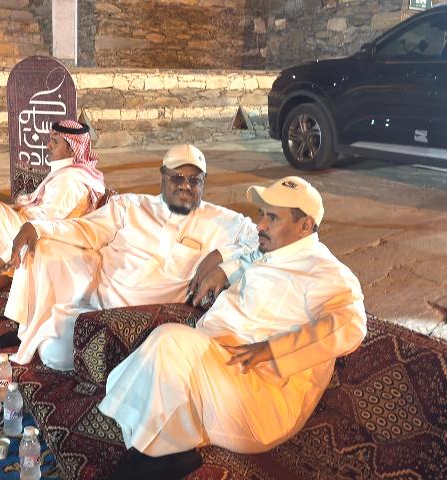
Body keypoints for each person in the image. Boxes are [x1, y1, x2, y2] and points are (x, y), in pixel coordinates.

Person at [98, 176, 367, 480]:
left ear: (305, 226)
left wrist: (273, 349)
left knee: (169, 341)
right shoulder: (274, 252)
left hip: (259, 395)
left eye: (273, 218)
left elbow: (351, 323)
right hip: (220, 367)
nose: (260, 225)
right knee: (163, 359)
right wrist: (224, 269)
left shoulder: (328, 273)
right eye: (261, 214)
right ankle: (166, 454)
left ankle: (157, 453)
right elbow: (250, 255)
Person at [1, 144, 259, 371]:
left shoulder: (222, 221)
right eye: (177, 177)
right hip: (96, 309)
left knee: (65, 355)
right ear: (163, 177)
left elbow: (260, 240)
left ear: (204, 182)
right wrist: (37, 228)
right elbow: (86, 230)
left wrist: (221, 260)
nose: (186, 186)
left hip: (147, 325)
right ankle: (31, 330)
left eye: (195, 180)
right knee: (54, 354)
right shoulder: (129, 206)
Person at [0, 119, 105, 302]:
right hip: (27, 224)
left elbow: (42, 227)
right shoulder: (70, 173)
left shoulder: (70, 182)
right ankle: (4, 275)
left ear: (73, 150)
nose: (48, 145)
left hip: (34, 238)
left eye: (55, 142)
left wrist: (0, 260)